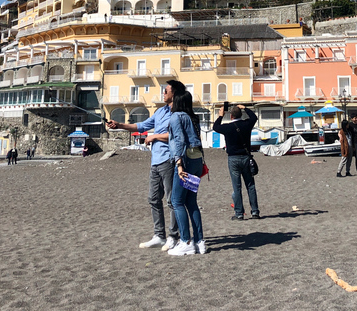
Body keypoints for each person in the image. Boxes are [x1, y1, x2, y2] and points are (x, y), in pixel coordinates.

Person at [108, 80, 185, 252]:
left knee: (172, 200)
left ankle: (174, 236)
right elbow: (141, 126)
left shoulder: (179, 113)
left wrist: (155, 136)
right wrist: (119, 125)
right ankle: (159, 235)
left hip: (169, 159)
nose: (163, 93)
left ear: (174, 93)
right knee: (153, 198)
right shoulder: (159, 112)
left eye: (166, 91)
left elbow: (177, 136)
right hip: (155, 161)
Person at [167, 91, 205, 256]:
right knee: (191, 202)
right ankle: (200, 242)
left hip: (186, 160)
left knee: (177, 201)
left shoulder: (177, 117)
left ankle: (185, 241)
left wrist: (179, 164)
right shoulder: (193, 117)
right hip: (197, 158)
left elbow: (179, 140)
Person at [212, 104, 260, 220]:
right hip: (245, 157)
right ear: (241, 114)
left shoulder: (228, 127)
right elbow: (254, 117)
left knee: (237, 187)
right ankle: (255, 212)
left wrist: (220, 115)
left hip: (233, 158)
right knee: (250, 185)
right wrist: (245, 108)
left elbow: (215, 127)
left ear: (231, 116)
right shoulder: (246, 124)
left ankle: (239, 213)